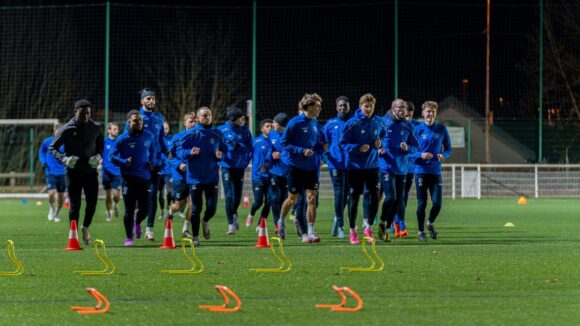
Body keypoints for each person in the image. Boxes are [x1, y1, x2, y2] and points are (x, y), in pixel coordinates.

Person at [50, 99, 104, 245]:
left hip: (90, 172)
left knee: (92, 203)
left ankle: (85, 227)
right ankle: (73, 234)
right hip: (72, 172)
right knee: (75, 205)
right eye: (82, 113)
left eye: (88, 113)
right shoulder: (67, 128)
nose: (86, 116)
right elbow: (52, 148)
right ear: (75, 112)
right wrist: (64, 159)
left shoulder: (96, 128)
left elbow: (101, 147)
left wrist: (99, 156)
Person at [278, 93, 327, 243]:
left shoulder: (316, 124)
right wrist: (301, 150)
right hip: (296, 167)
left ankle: (311, 232)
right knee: (292, 199)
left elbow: (321, 144)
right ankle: (281, 221)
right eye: (317, 106)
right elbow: (283, 143)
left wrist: (320, 152)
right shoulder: (294, 123)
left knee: (311, 199)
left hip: (312, 167)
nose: (320, 109)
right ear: (309, 107)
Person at [177, 107, 226, 246]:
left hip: (212, 177)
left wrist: (221, 154)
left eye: (209, 115)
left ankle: (205, 221)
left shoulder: (217, 133)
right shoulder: (192, 133)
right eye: (204, 115)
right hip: (195, 177)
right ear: (198, 118)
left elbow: (225, 149)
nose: (207, 117)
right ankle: (196, 237)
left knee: (212, 208)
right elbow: (179, 150)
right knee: (195, 208)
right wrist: (189, 152)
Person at [340, 93, 385, 245]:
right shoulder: (352, 123)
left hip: (373, 167)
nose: (369, 109)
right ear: (360, 106)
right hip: (355, 168)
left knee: (375, 197)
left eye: (371, 106)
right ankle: (352, 230)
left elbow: (383, 138)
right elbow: (342, 143)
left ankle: (369, 227)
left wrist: (380, 144)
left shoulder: (378, 123)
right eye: (366, 106)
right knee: (353, 199)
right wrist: (357, 148)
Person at [127, 88, 169, 241]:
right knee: (138, 198)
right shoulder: (135, 118)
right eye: (148, 99)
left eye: (153, 98)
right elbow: (128, 139)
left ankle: (149, 228)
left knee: (153, 196)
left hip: (156, 164)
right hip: (139, 166)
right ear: (142, 101)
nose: (151, 101)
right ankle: (134, 224)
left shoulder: (158, 118)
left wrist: (168, 151)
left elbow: (162, 139)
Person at [109, 110, 156, 246]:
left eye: (140, 120)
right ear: (129, 122)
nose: (139, 122)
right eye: (136, 120)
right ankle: (129, 237)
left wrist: (152, 161)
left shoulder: (149, 136)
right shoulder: (123, 139)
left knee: (146, 209)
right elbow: (111, 156)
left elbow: (153, 151)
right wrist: (123, 162)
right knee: (129, 210)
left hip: (145, 178)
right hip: (128, 179)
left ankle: (137, 222)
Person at [409, 101, 452, 241]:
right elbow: (408, 151)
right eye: (428, 111)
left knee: (438, 203)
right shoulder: (417, 130)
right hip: (420, 170)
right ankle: (421, 231)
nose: (430, 114)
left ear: (435, 113)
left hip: (435, 172)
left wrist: (443, 155)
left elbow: (449, 149)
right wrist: (419, 155)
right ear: (423, 113)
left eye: (433, 111)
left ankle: (429, 223)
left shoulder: (442, 129)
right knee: (422, 203)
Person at [377, 99, 418, 242]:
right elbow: (373, 140)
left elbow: (416, 147)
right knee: (390, 197)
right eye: (400, 107)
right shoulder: (382, 122)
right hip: (386, 166)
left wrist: (408, 148)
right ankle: (380, 222)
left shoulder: (408, 126)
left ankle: (385, 226)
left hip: (402, 168)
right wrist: (378, 149)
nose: (403, 110)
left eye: (405, 108)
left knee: (399, 199)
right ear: (393, 108)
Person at [217, 107, 253, 233]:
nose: (243, 119)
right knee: (229, 196)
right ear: (234, 118)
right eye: (240, 117)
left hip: (239, 167)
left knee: (237, 198)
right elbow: (215, 145)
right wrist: (221, 151)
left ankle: (234, 214)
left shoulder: (245, 130)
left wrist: (240, 147)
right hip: (227, 166)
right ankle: (231, 224)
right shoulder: (221, 130)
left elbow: (250, 148)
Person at [165, 112, 196, 238]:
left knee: (193, 205)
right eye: (190, 121)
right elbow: (169, 156)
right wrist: (179, 165)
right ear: (185, 123)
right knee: (179, 205)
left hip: (195, 177)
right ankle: (171, 211)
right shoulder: (177, 138)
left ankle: (185, 229)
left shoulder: (200, 138)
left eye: (195, 121)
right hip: (180, 176)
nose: (193, 124)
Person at [324, 96, 350, 239]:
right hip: (335, 163)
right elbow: (322, 140)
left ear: (349, 107)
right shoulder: (330, 123)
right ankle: (341, 225)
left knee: (347, 195)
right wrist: (327, 154)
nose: (342, 108)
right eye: (340, 105)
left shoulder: (353, 122)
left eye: (345, 105)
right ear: (336, 107)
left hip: (351, 165)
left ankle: (336, 217)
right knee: (339, 193)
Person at [248, 119, 273, 232]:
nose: (270, 128)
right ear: (262, 129)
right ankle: (251, 214)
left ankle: (260, 223)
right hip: (257, 177)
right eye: (268, 126)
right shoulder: (255, 141)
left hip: (271, 176)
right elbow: (247, 154)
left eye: (272, 126)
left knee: (269, 202)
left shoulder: (275, 142)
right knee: (258, 201)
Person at [39, 122, 66, 223]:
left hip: (63, 173)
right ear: (54, 131)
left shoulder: (66, 143)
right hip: (50, 171)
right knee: (51, 193)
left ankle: (57, 213)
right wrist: (43, 161)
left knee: (61, 197)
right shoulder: (47, 141)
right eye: (57, 131)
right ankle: (52, 208)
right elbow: (41, 151)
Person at [267, 113, 289, 231]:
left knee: (284, 199)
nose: (273, 124)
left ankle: (282, 220)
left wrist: (281, 155)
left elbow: (292, 151)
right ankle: (277, 224)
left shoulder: (290, 135)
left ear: (281, 124)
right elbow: (270, 148)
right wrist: (271, 155)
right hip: (274, 171)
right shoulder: (271, 134)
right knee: (274, 198)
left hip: (287, 171)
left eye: (275, 122)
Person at [101, 122, 122, 222]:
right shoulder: (104, 141)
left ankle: (116, 204)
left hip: (117, 171)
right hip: (106, 171)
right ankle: (109, 213)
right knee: (108, 195)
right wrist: (99, 159)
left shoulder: (120, 142)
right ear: (109, 130)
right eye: (114, 129)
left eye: (117, 129)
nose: (116, 131)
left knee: (116, 195)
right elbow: (99, 153)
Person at [158, 121, 173, 219]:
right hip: (159, 171)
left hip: (169, 171)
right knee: (160, 193)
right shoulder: (157, 140)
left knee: (170, 191)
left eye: (166, 128)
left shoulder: (172, 139)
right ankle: (162, 210)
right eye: (163, 128)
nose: (165, 130)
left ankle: (169, 207)